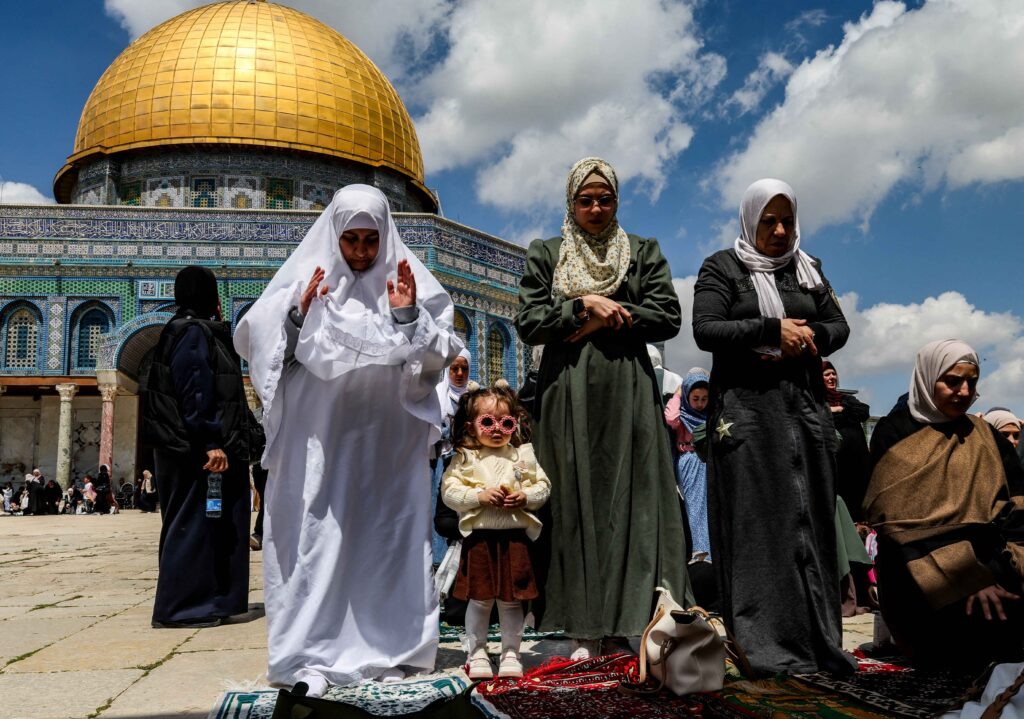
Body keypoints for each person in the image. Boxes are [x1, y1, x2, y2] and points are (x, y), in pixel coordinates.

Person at [234, 185, 462, 696]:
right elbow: (262, 346)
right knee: (317, 539)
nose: (360, 253)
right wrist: (296, 314)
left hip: (386, 447)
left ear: (386, 237)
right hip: (319, 444)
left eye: (370, 241)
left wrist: (406, 315)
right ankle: (310, 651)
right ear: (333, 236)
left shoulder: (409, 283)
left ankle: (389, 649)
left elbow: (443, 350)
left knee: (383, 540)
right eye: (351, 240)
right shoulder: (304, 283)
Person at [515, 156, 690, 658]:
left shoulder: (640, 251)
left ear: (617, 201)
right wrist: (583, 306)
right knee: (572, 499)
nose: (595, 208)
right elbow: (529, 320)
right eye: (585, 199)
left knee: (631, 501)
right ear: (570, 203)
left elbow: (667, 314)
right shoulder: (547, 252)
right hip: (567, 392)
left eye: (604, 198)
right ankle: (581, 626)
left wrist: (611, 314)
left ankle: (629, 619)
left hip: (626, 390)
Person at [692, 178, 854, 675]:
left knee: (810, 526)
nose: (780, 230)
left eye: (786, 220)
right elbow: (706, 329)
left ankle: (819, 643)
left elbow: (839, 326)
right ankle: (763, 647)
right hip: (748, 415)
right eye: (769, 220)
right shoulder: (723, 267)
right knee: (757, 529)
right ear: (750, 221)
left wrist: (806, 337)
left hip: (803, 412)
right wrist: (769, 330)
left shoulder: (809, 270)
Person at [864, 340, 1024, 669]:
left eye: (972, 382)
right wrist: (966, 578)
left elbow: (1016, 500)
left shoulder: (983, 433)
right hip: (919, 564)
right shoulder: (895, 431)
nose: (964, 391)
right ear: (927, 377)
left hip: (992, 558)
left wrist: (1016, 557)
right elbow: (897, 518)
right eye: (952, 381)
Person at [143, 265, 252, 629]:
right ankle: (183, 607)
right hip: (195, 449)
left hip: (186, 446)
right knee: (193, 524)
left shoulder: (185, 330)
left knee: (208, 524)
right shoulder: (192, 332)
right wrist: (209, 441)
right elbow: (195, 389)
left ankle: (212, 600)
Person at [441, 383, 550, 679]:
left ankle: (511, 652)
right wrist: (478, 497)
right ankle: (476, 652)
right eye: (487, 422)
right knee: (480, 598)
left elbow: (542, 486)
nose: (497, 429)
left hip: (514, 538)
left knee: (511, 599)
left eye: (505, 422)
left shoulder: (521, 455)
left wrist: (526, 497)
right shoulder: (465, 457)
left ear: (514, 425)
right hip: (481, 539)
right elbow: (449, 491)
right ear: (471, 426)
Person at [664, 368, 711, 563]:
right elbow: (671, 419)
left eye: (704, 399)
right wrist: (677, 394)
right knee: (694, 507)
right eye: (695, 398)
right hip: (690, 462)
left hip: (707, 462)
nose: (700, 404)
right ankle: (700, 550)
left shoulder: (711, 413)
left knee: (706, 507)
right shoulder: (682, 413)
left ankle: (705, 549)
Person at [430, 348, 472, 563]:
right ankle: (440, 560)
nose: (458, 373)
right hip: (444, 461)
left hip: (471, 463)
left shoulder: (476, 395)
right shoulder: (437, 395)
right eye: (454, 368)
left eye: (464, 368)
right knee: (444, 511)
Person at [822, 360, 872, 520]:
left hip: (857, 464)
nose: (832, 377)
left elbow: (863, 411)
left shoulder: (846, 399)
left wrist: (838, 410)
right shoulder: (817, 401)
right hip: (837, 465)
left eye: (833, 373)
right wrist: (834, 411)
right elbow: (820, 417)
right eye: (826, 374)